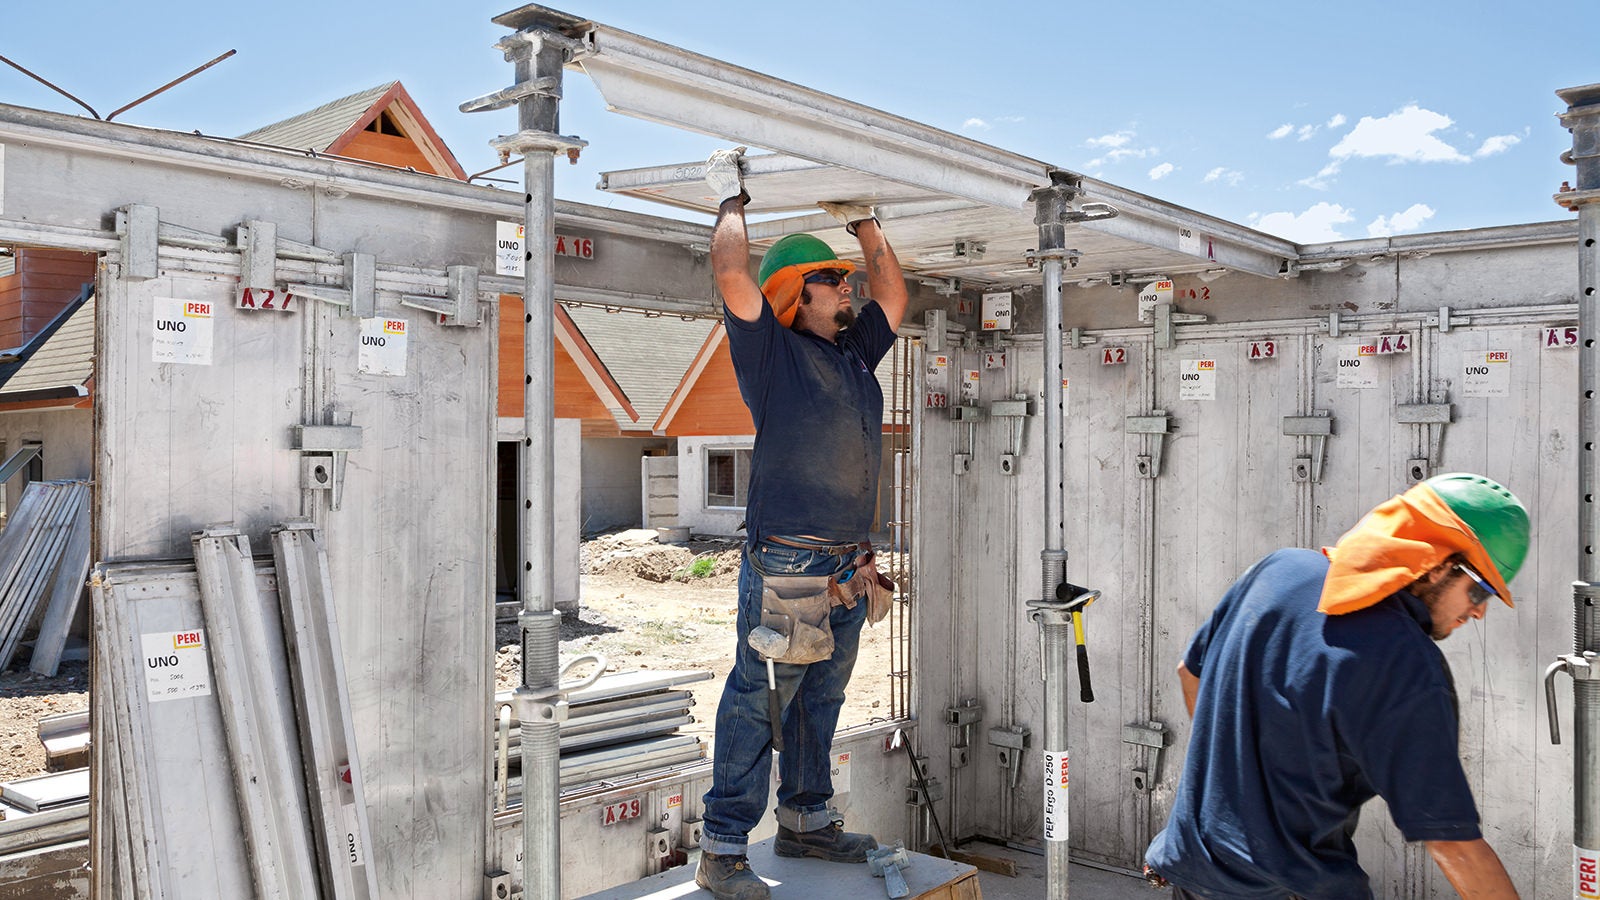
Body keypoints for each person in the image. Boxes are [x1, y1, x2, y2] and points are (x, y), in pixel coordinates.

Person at [1144, 473, 1531, 899]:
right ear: (1437, 564)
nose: (1478, 614)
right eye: (1480, 593)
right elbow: (1452, 843)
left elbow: (1189, 672)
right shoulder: (1405, 663)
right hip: (1287, 887)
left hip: (1194, 874)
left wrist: (1236, 785)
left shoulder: (1279, 569)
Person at [692, 146, 909, 900]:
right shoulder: (772, 352)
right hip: (788, 562)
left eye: (843, 276)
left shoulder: (853, 356)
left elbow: (895, 299)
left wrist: (864, 224)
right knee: (761, 697)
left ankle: (807, 819)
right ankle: (722, 849)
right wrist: (731, 200)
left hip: (848, 566)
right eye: (829, 278)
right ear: (793, 293)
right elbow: (729, 275)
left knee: (822, 696)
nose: (845, 285)